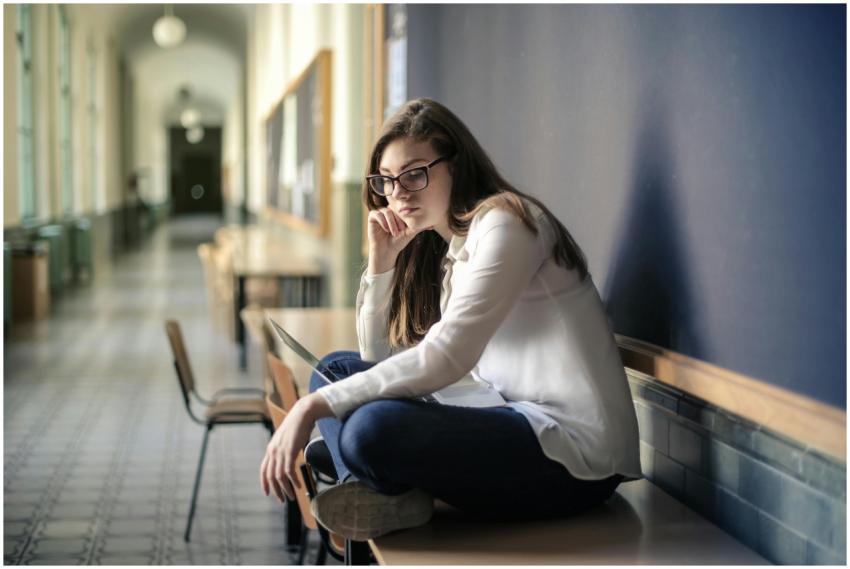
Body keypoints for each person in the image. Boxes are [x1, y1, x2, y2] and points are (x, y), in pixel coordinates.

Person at [259, 98, 642, 541]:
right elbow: (375, 358)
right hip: (505, 415)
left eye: (415, 174)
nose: (399, 193)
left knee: (367, 427)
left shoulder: (508, 224)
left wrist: (310, 410)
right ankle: (380, 488)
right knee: (334, 373)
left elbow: (448, 357)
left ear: (456, 166)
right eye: (387, 181)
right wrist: (381, 265)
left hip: (574, 457)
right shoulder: (455, 252)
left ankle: (370, 479)